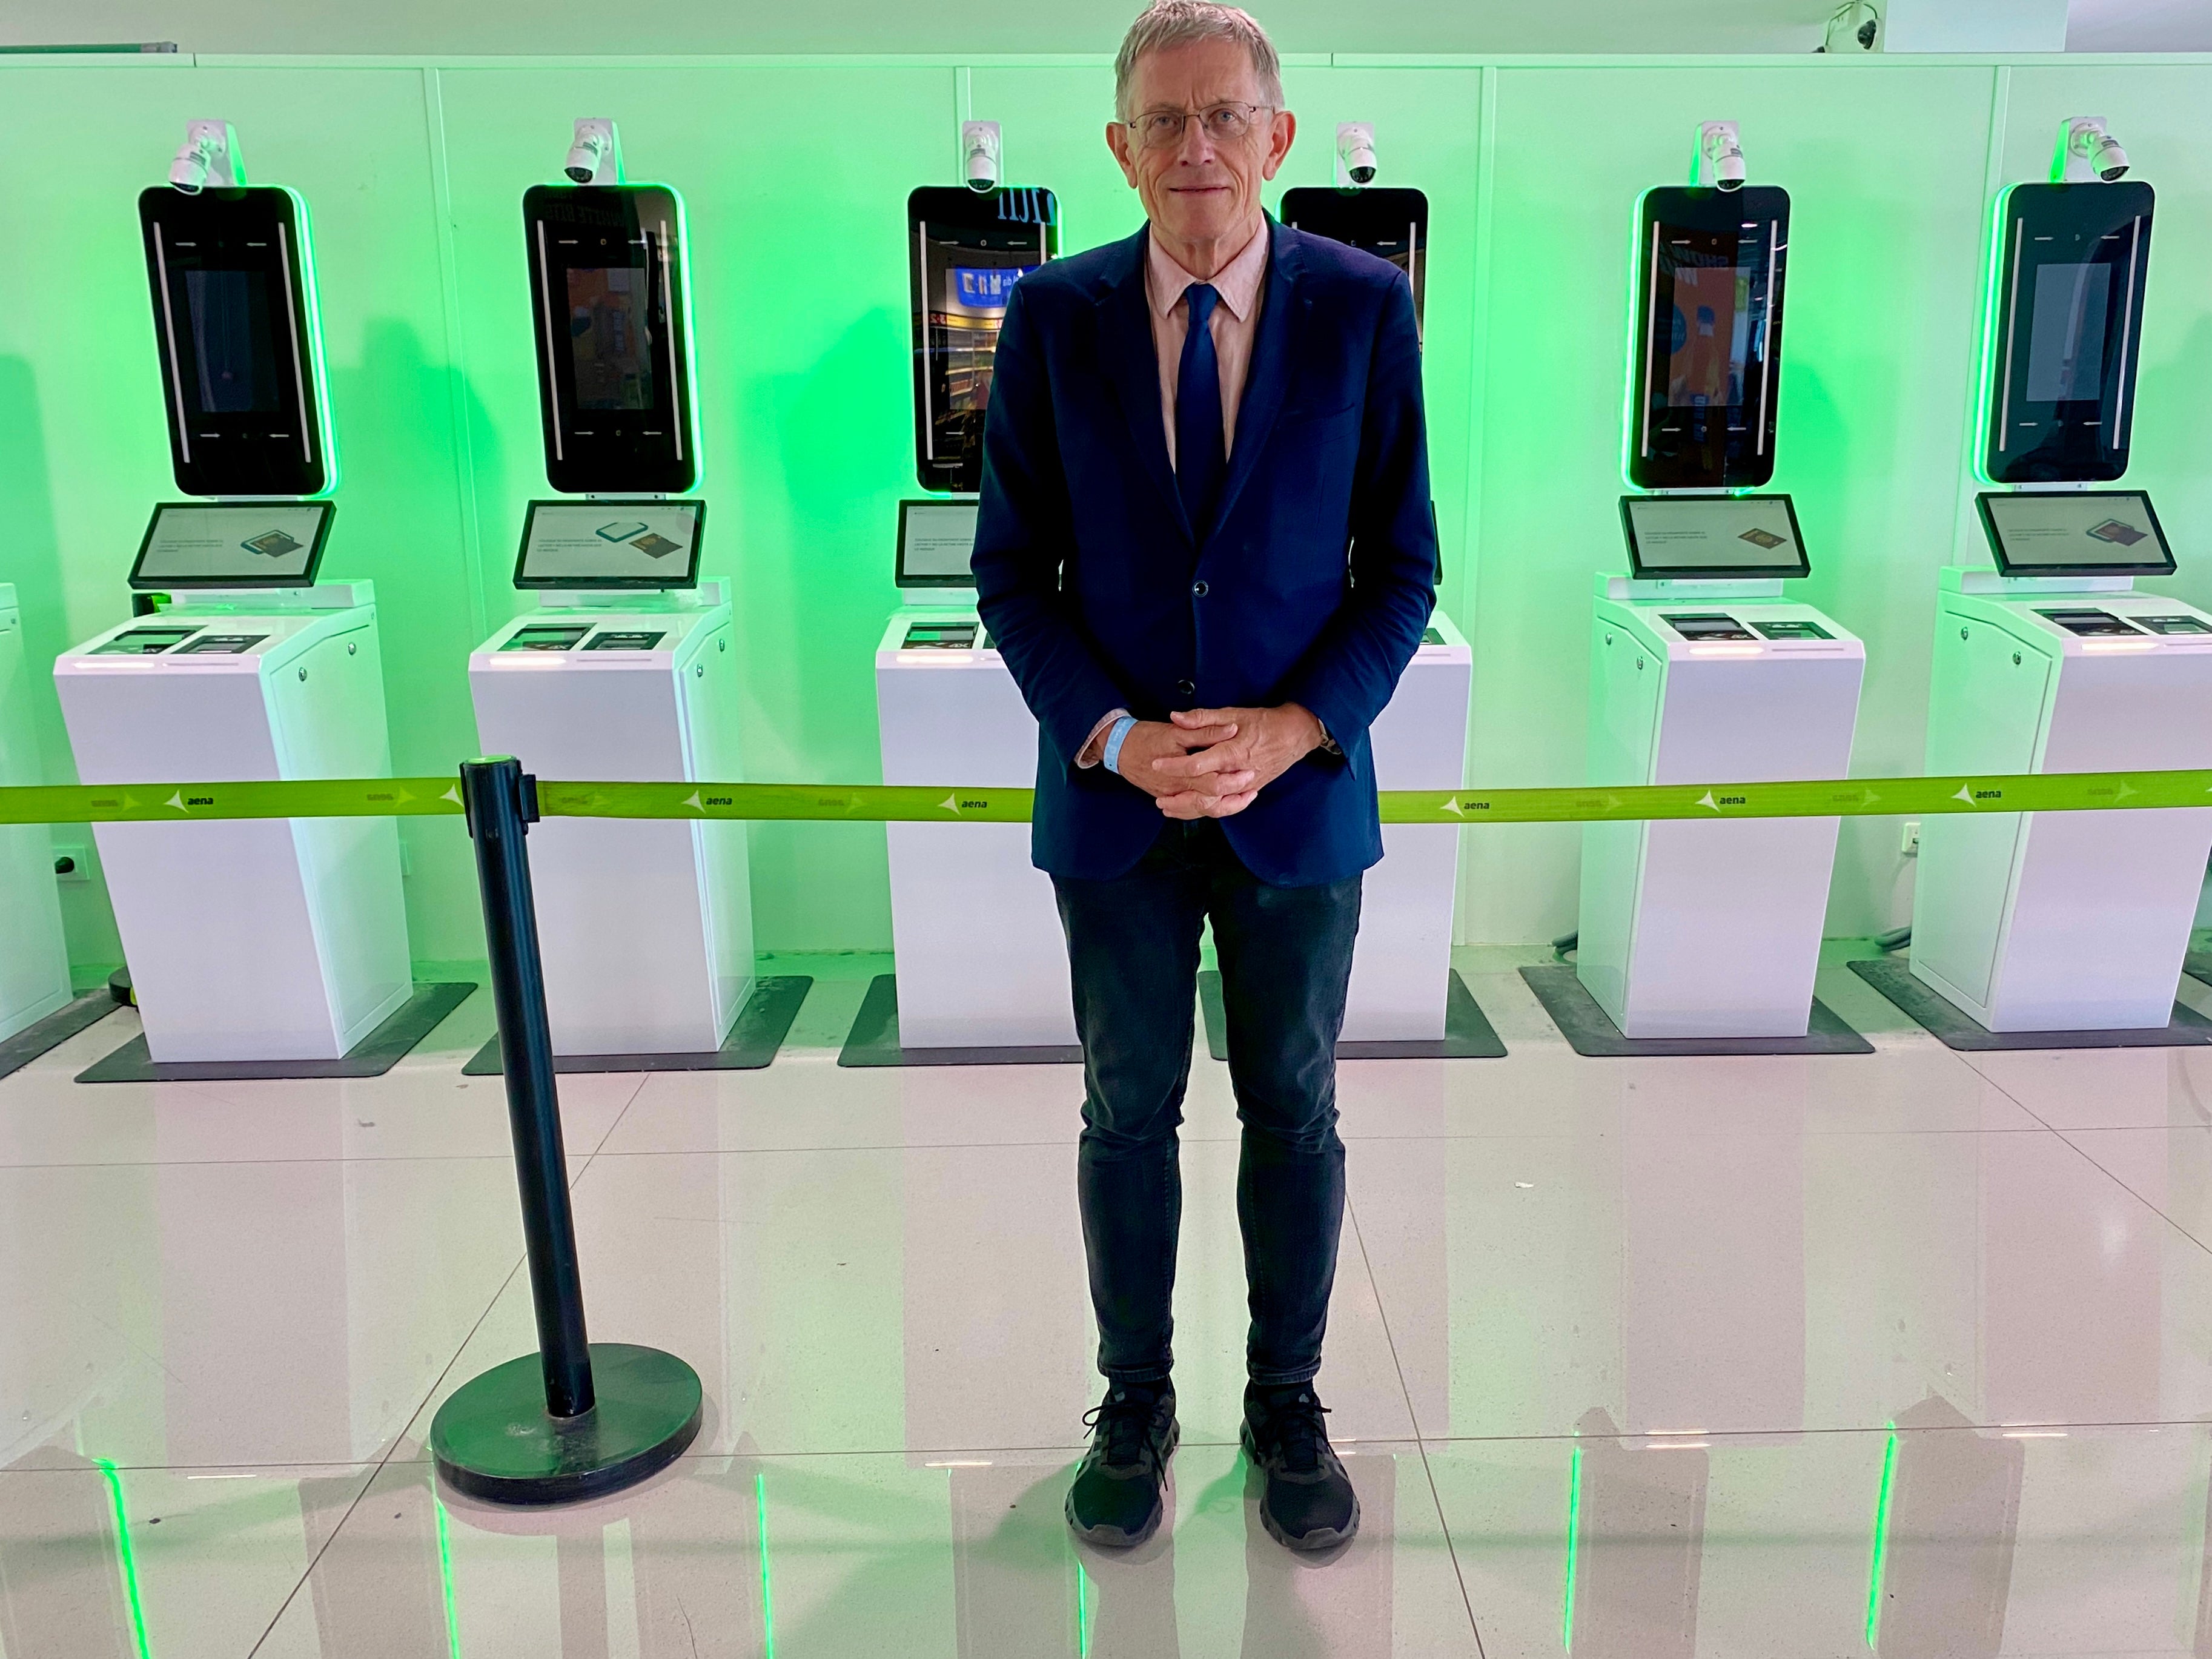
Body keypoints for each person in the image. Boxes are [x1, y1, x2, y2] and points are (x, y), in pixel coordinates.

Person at [971, 0, 1437, 1554]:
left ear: (1276, 136)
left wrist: (1294, 727)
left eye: (1223, 116)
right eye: (1161, 122)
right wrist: (1111, 735)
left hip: (1296, 806)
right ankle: (1133, 1395)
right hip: (1113, 810)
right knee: (1126, 1109)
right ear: (1116, 147)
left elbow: (1400, 573)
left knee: (1291, 1104)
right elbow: (1011, 576)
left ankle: (1286, 1397)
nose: (1195, 149)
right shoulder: (1049, 316)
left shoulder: (1365, 310)